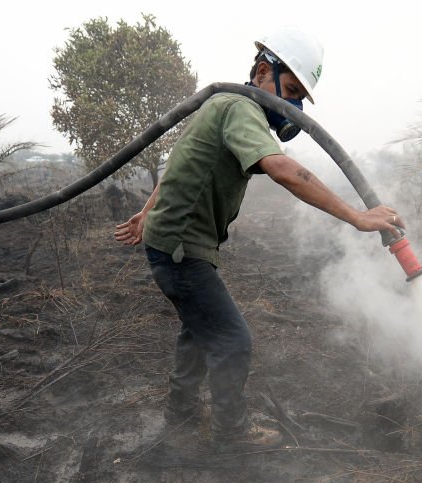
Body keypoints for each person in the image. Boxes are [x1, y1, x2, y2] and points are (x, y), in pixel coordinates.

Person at [115, 28, 405, 450]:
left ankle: (180, 417)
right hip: (181, 250)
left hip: (175, 243)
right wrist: (358, 217)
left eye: (300, 98)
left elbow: (182, 161)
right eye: (289, 91)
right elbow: (285, 170)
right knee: (233, 340)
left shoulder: (221, 104)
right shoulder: (239, 108)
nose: (293, 108)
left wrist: (147, 212)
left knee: (200, 330)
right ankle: (231, 436)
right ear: (264, 71)